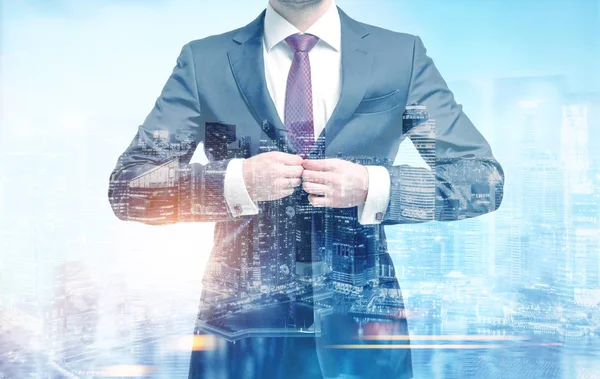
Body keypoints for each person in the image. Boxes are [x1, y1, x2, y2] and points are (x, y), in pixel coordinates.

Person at [108, 0, 504, 377]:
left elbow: (481, 180)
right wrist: (235, 182)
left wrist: (372, 186)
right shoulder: (205, 62)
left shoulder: (400, 57)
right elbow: (130, 186)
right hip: (239, 341)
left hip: (363, 343)